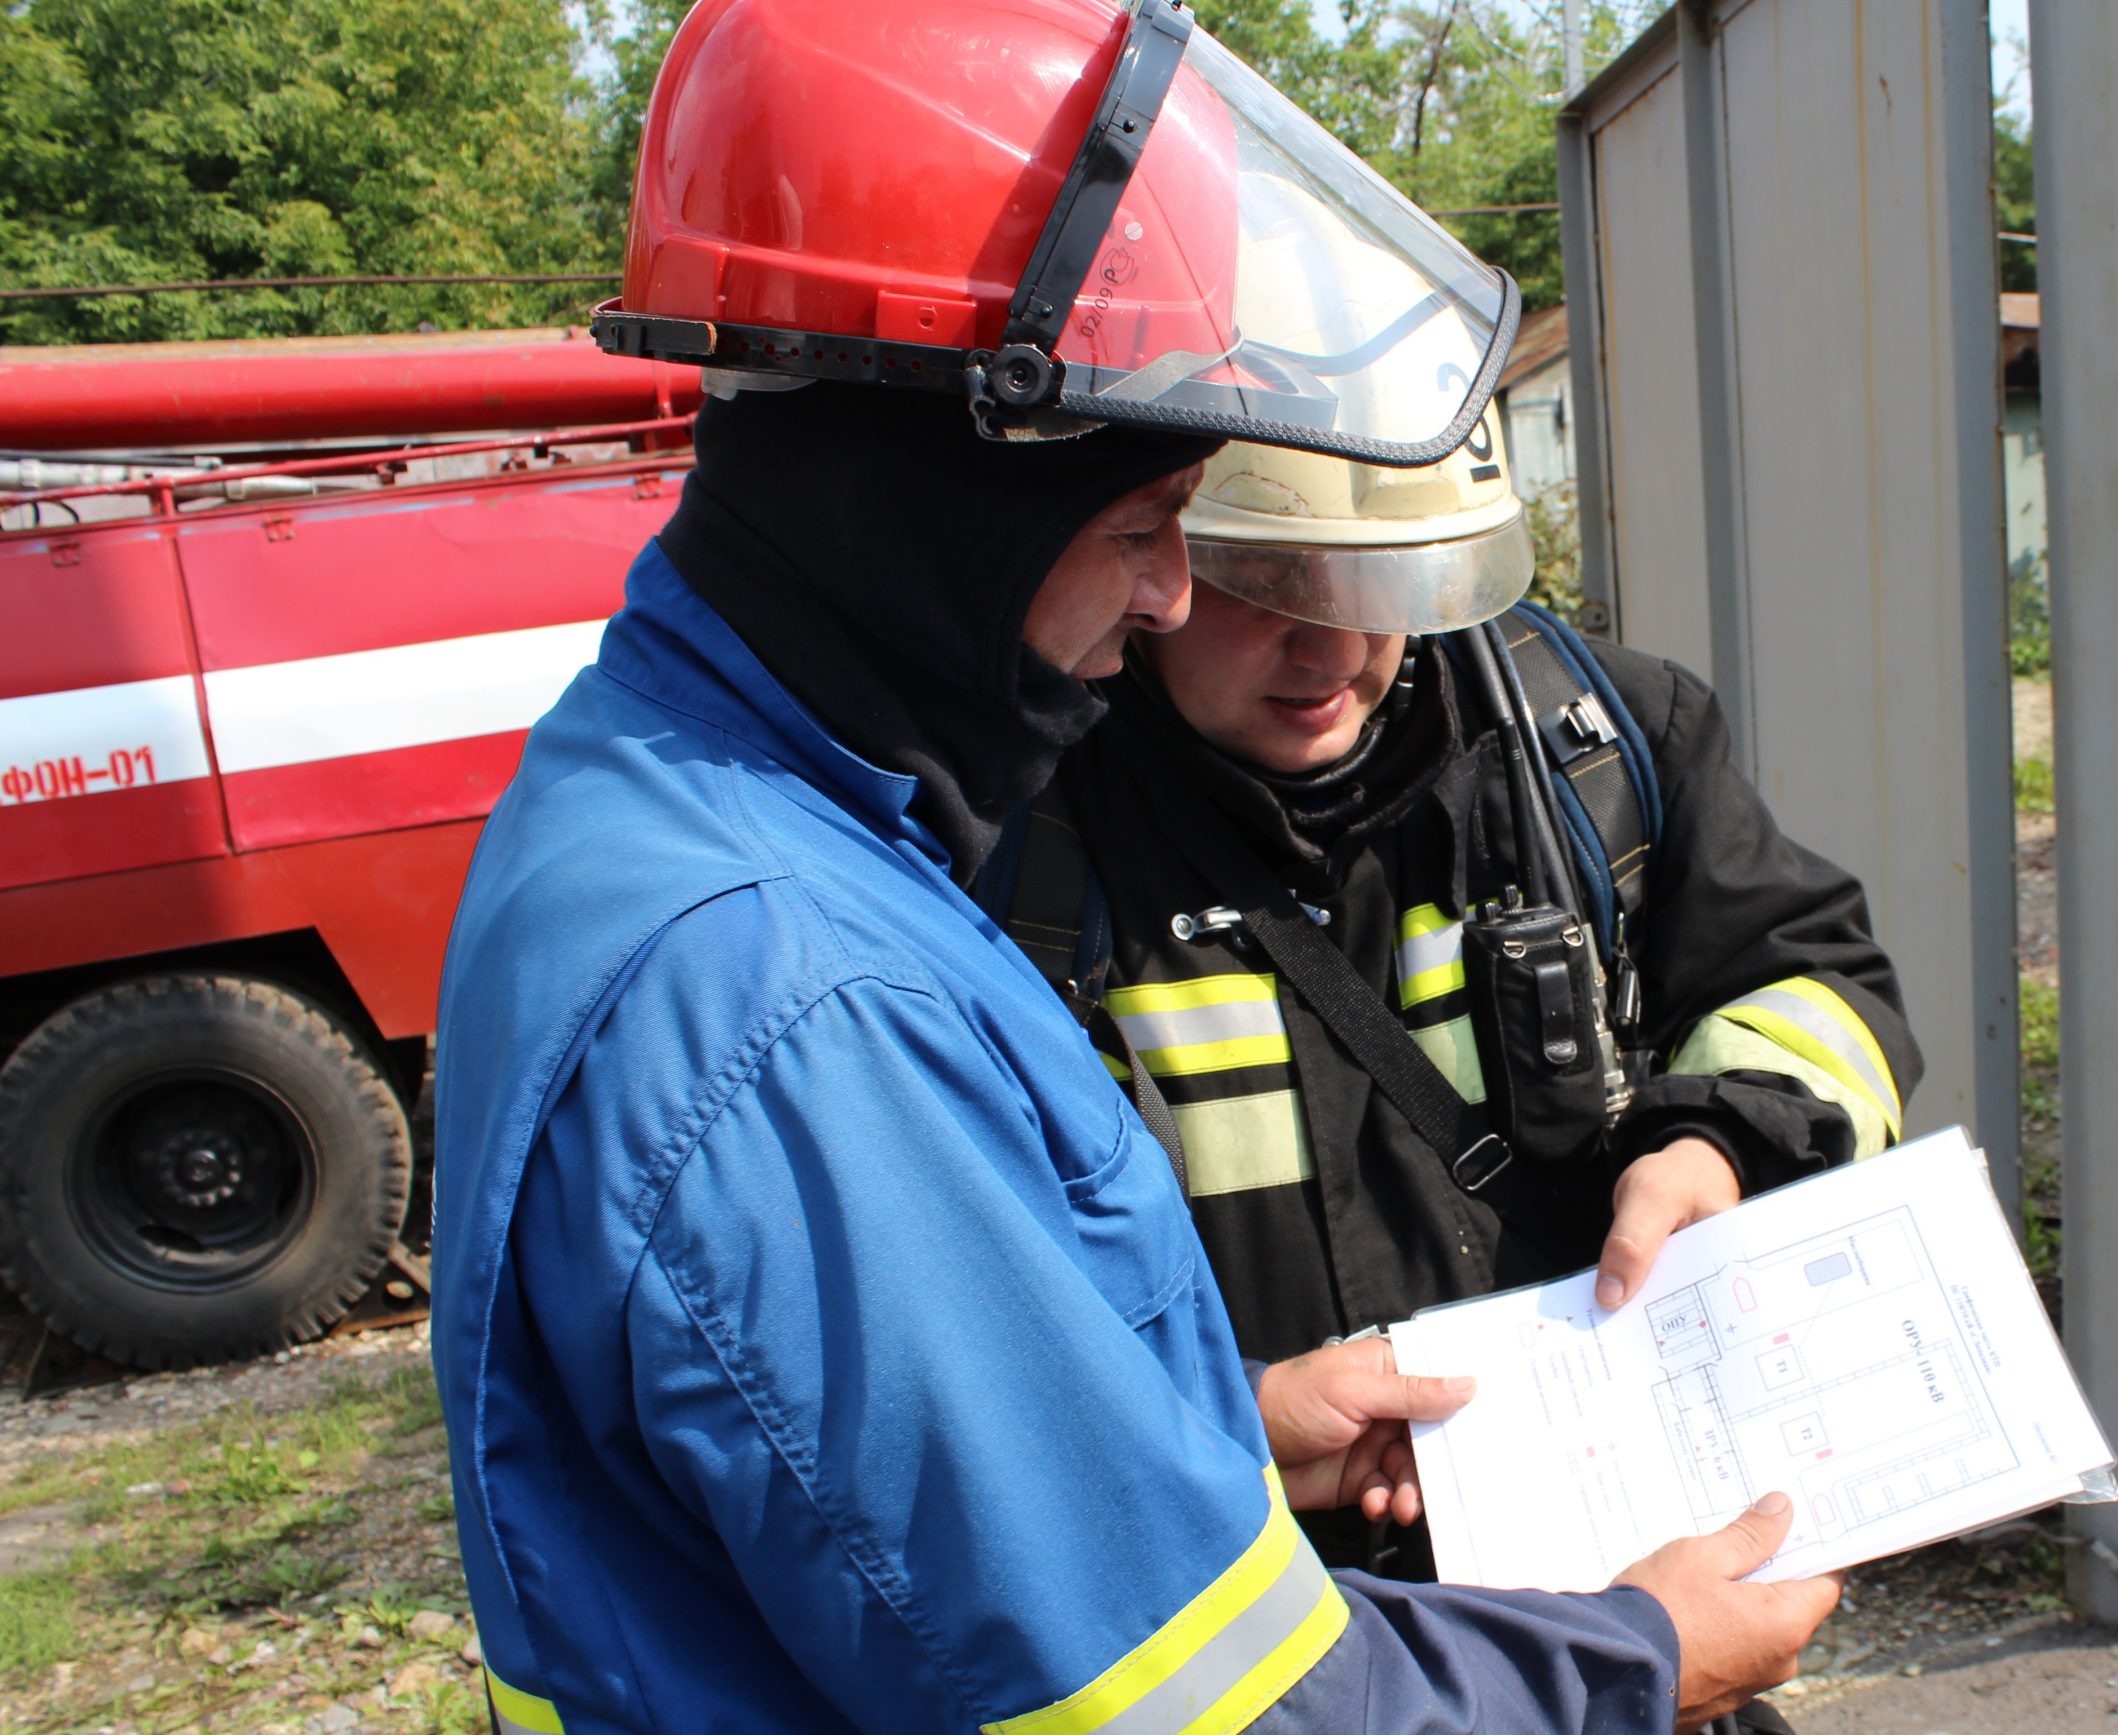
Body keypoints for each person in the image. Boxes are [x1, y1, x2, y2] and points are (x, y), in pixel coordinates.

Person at [428, 1, 1841, 1730]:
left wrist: (1220, 1429)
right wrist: (1640, 1658)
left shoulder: (676, 806)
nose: (1178, 595)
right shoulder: (797, 1000)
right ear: (954, 501)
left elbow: (888, 1490)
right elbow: (1184, 1707)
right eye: (1142, 530)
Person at [993, 425, 1923, 1589]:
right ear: (1159, 559)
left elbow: (1809, 983)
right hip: (1256, 1613)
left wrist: (1717, 1138)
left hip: (1606, 1565)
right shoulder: (1012, 847)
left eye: (1377, 576)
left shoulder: (1592, 742)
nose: (1330, 644)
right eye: (1266, 582)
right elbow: (968, 1335)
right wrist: (1239, 1418)